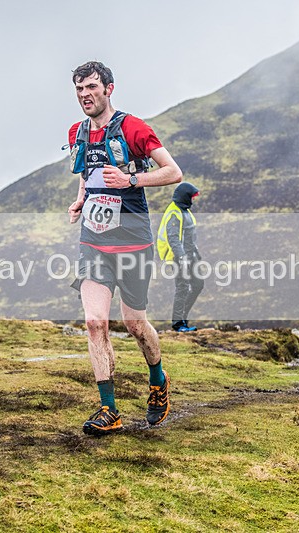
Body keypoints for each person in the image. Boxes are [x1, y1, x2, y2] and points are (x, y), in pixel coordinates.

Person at [66, 61, 182, 436]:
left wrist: (133, 179)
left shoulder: (134, 128)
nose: (86, 94)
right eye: (80, 89)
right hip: (94, 243)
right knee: (95, 322)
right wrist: (81, 199)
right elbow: (88, 174)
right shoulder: (77, 132)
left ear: (109, 88)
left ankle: (157, 379)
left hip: (133, 242)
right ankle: (108, 409)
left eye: (92, 87)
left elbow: (173, 172)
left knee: (134, 323)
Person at [157, 182, 204, 332]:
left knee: (197, 285)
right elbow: (173, 239)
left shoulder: (185, 211)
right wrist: (182, 258)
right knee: (182, 287)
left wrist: (196, 254)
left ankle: (183, 317)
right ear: (185, 197)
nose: (194, 200)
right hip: (178, 257)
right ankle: (178, 324)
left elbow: (190, 237)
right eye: (192, 197)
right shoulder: (174, 213)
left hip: (191, 256)